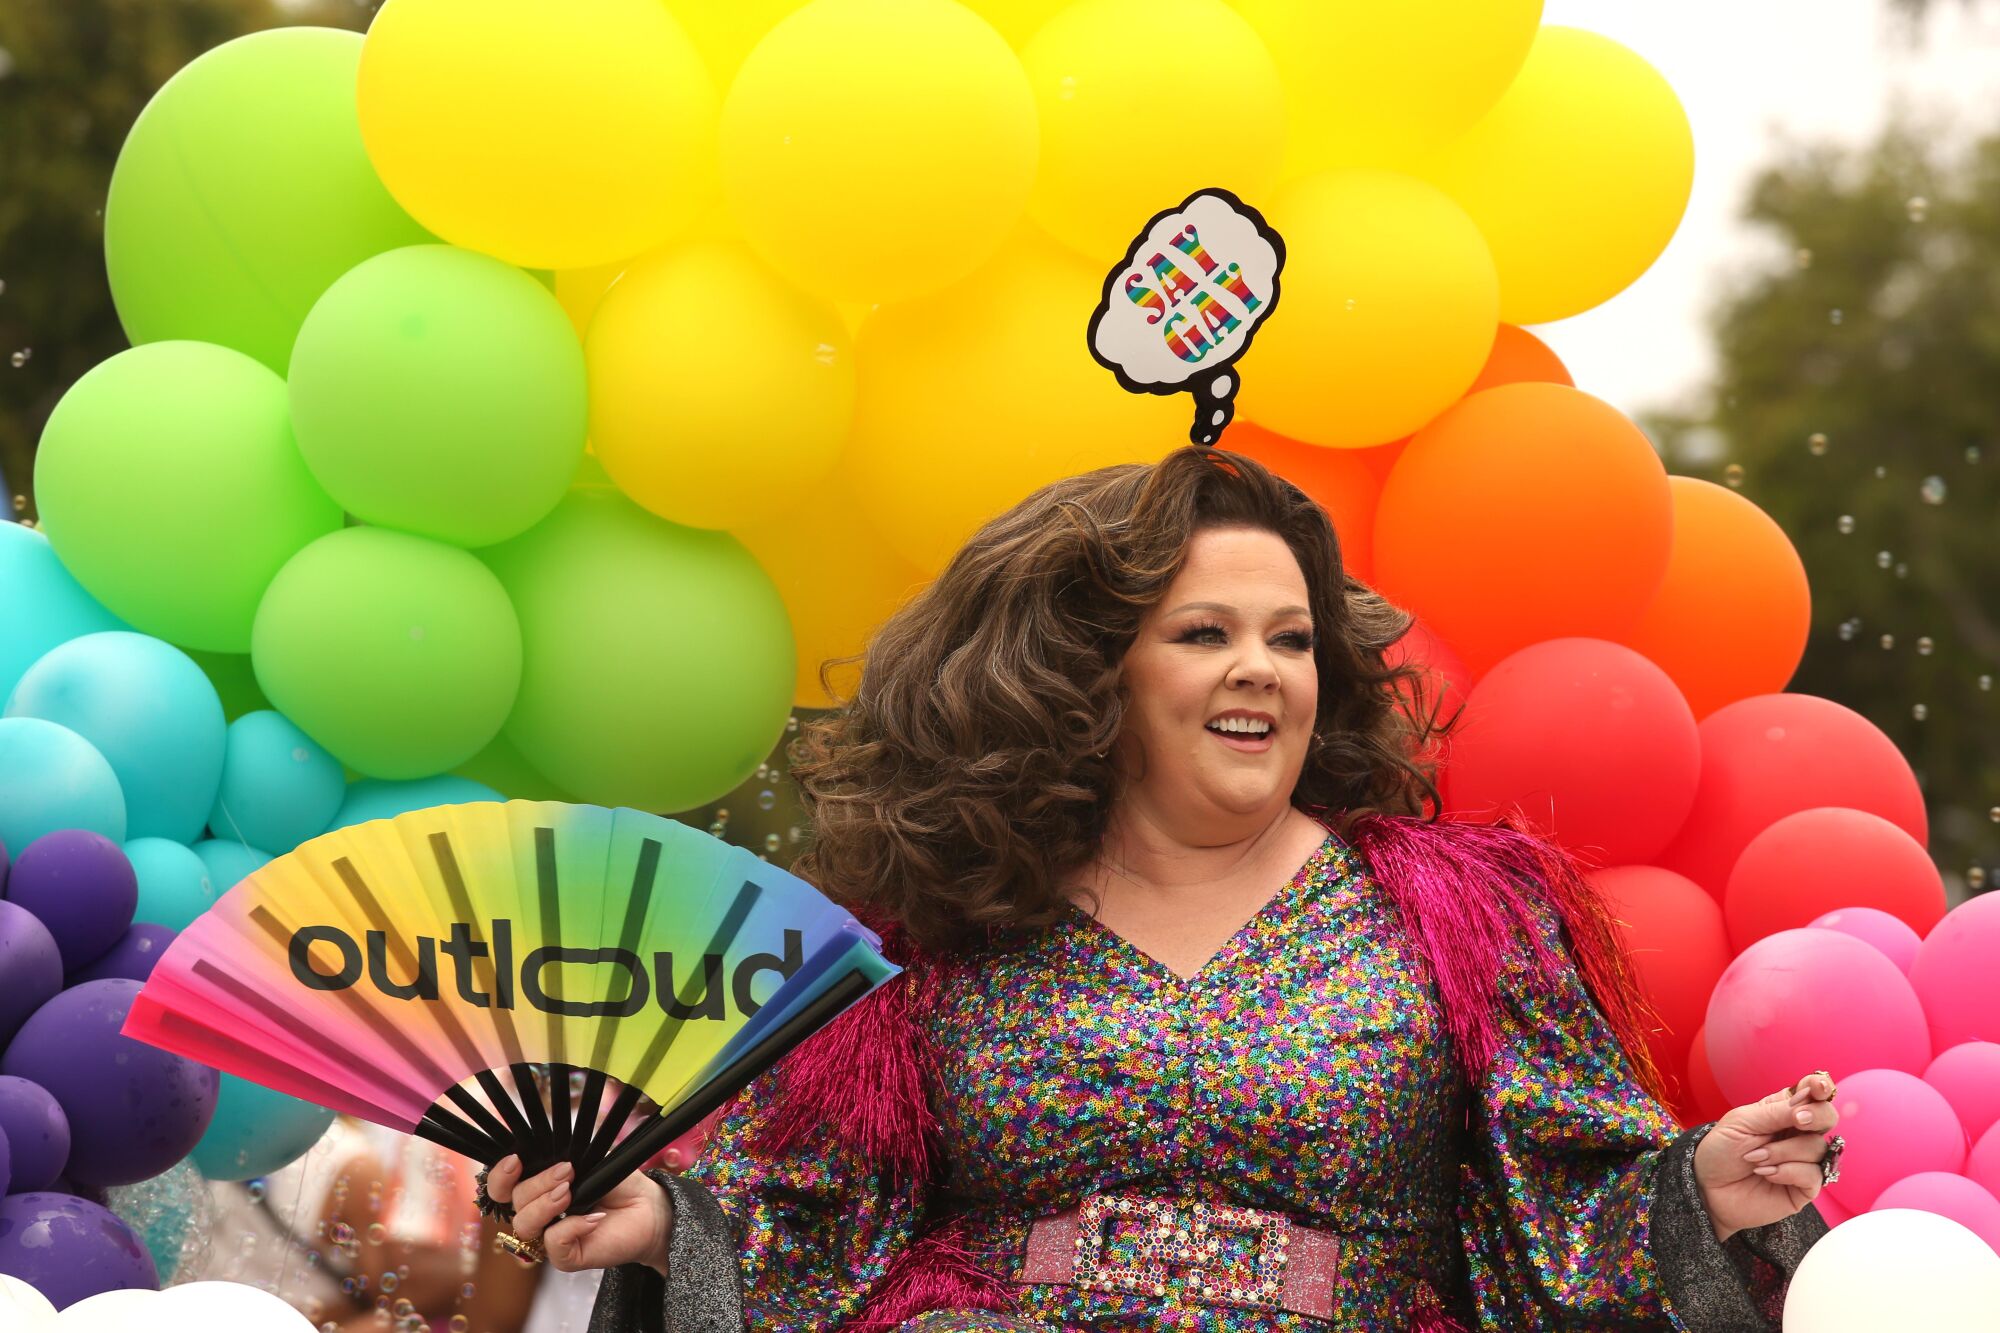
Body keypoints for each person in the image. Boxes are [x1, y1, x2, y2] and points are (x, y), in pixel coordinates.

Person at [485, 445, 1841, 1331]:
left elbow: (1558, 1212)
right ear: (1094, 674)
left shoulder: (1459, 913)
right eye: (1205, 633)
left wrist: (1704, 1181)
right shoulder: (937, 933)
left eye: (1291, 638)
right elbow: (817, 1211)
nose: (1262, 667)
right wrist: (667, 1216)